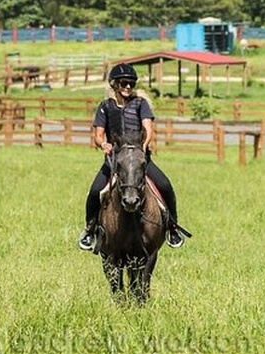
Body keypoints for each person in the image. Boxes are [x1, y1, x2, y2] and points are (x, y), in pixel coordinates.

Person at [77, 63, 185, 251]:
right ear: (114, 84)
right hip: (114, 161)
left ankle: (172, 227)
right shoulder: (105, 107)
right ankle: (90, 230)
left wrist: (143, 145)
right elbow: (98, 134)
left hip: (140, 159)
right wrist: (103, 144)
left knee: (166, 186)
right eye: (124, 83)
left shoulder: (141, 104)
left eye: (131, 84)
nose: (128, 87)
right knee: (95, 192)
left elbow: (148, 128)